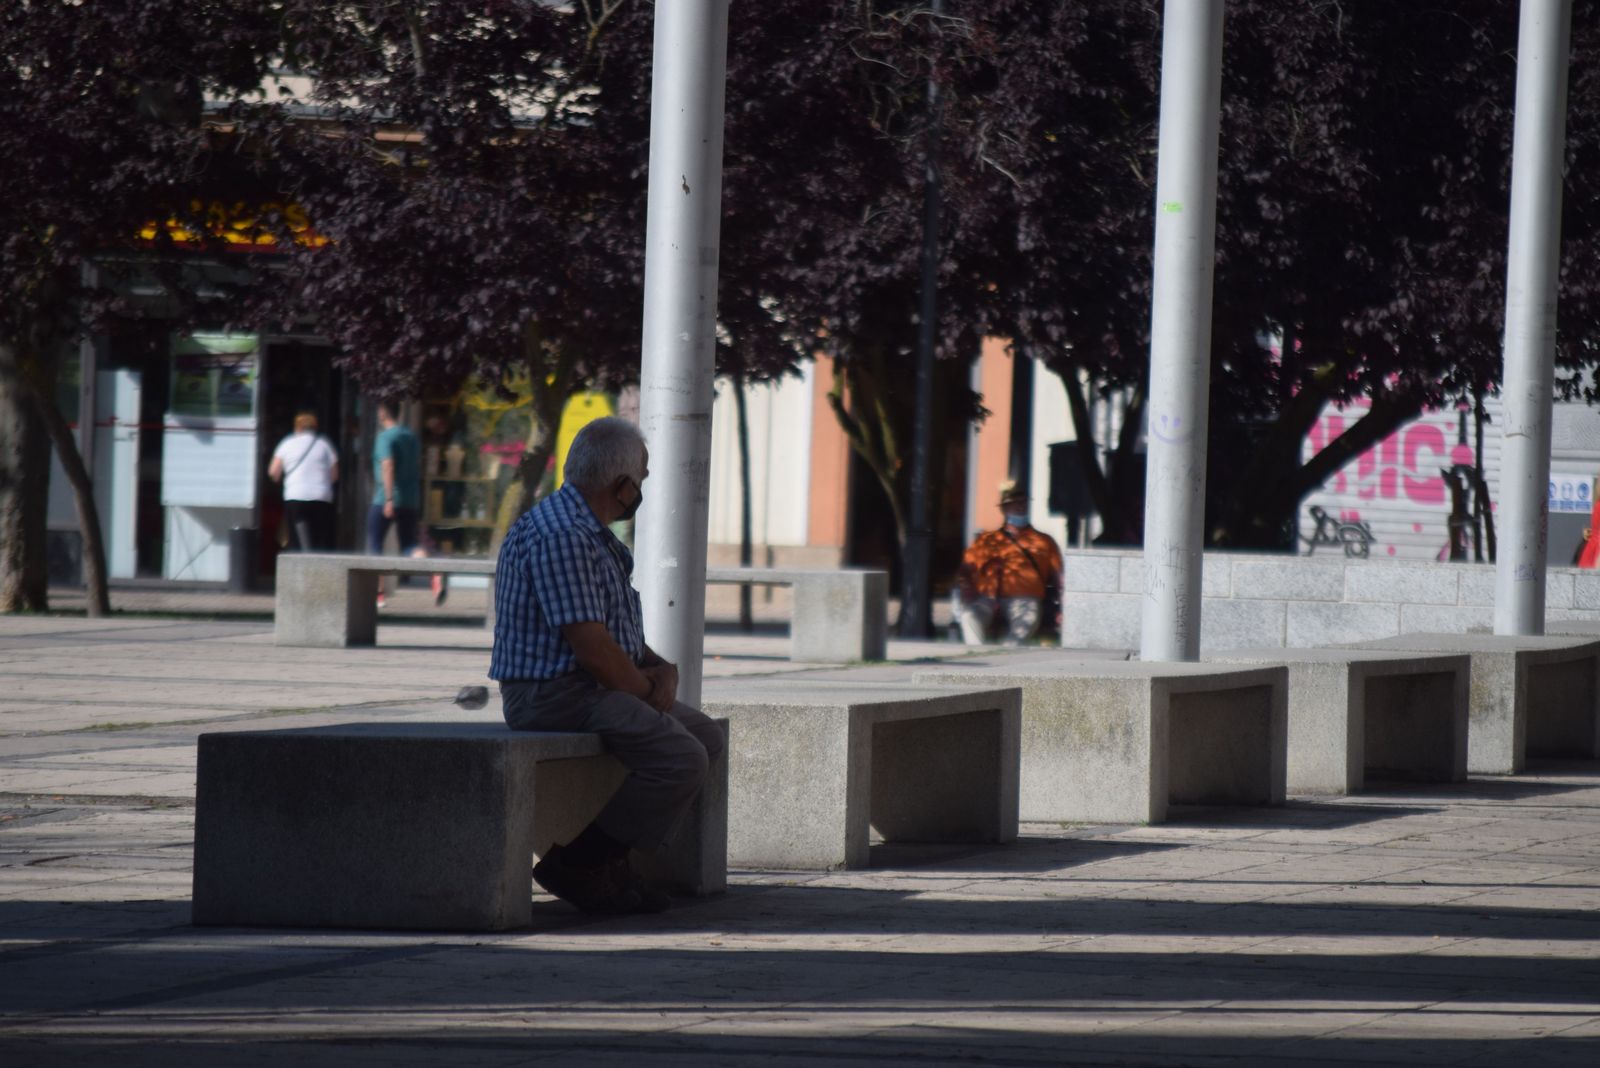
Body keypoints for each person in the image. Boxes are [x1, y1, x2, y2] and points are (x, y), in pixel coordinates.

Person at [489, 417, 723, 915]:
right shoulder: (563, 537)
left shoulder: (590, 533)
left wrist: (663, 670)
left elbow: (617, 635)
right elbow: (593, 650)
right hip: (550, 693)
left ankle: (610, 862)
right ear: (621, 485)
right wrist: (650, 691)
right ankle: (581, 864)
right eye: (642, 477)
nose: (643, 487)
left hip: (590, 687)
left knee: (705, 737)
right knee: (681, 757)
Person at [954, 480, 1064, 646]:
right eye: (1015, 503)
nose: (1021, 507)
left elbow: (1060, 579)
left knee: (1026, 621)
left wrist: (1064, 608)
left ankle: (1005, 653)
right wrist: (966, 587)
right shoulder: (986, 539)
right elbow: (965, 570)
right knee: (969, 617)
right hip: (987, 599)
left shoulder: (1044, 541)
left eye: (1024, 502)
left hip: (1025, 601)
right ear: (1004, 509)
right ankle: (978, 653)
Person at [368, 399, 423, 608]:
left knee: (375, 544)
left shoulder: (385, 437)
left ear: (382, 412)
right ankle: (434, 571)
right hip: (410, 499)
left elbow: (388, 465)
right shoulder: (411, 436)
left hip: (386, 498)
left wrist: (389, 499)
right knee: (409, 544)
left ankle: (379, 593)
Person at [267, 412, 339, 551]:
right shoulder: (324, 444)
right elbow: (335, 475)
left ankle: (302, 556)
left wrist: (282, 481)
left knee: (297, 539)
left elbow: (273, 472)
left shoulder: (287, 443)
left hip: (295, 496)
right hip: (321, 497)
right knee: (319, 538)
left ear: (297, 427)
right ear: (315, 428)